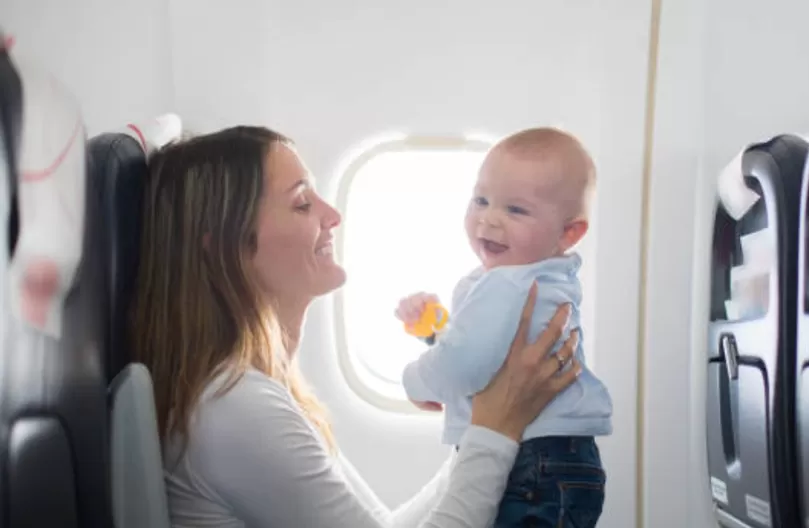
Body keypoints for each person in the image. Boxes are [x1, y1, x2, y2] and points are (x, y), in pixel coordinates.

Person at [129, 125, 583, 528]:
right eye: (302, 203)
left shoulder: (263, 388)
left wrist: (485, 418)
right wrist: (496, 428)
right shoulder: (234, 407)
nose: (332, 215)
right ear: (224, 248)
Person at [396, 127, 613, 527]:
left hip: (532, 463)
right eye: (481, 200)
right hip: (561, 462)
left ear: (569, 232)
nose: (489, 219)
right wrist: (436, 329)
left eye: (516, 210)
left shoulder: (506, 282)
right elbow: (493, 350)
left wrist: (414, 382)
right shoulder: (540, 277)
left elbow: (465, 365)